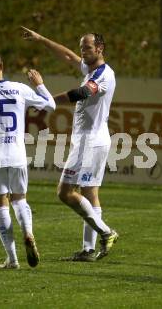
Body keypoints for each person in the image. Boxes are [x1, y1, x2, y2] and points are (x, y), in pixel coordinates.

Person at [21, 27, 118, 262]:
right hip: (94, 140)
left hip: (89, 142)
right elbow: (67, 56)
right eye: (81, 47)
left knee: (65, 192)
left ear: (100, 48)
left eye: (87, 47)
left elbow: (82, 92)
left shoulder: (104, 75)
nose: (82, 52)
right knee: (89, 193)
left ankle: (106, 232)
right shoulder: (92, 68)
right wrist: (41, 38)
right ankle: (88, 250)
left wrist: (47, 100)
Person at [0, 51, 56, 269]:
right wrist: (40, 84)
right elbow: (51, 105)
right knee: (20, 200)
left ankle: (13, 259)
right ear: (1, 65)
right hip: (17, 153)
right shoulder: (20, 88)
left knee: (0, 207)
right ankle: (29, 233)